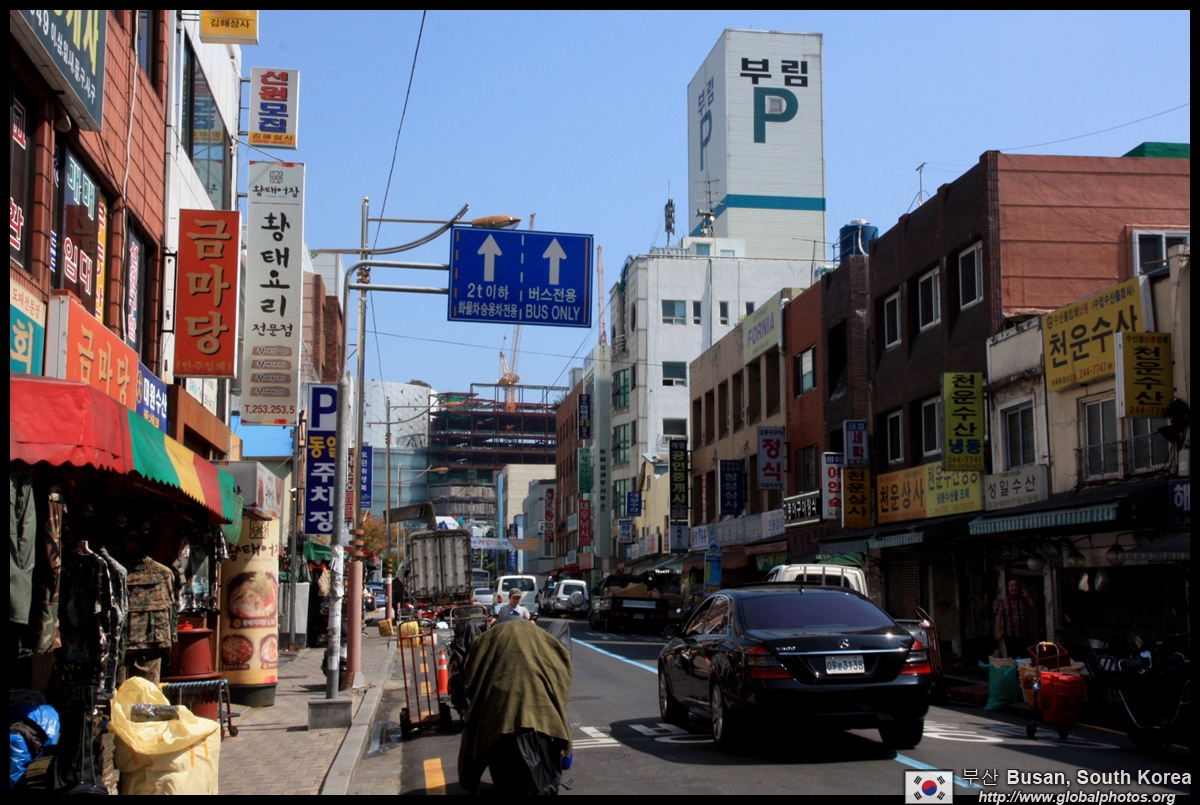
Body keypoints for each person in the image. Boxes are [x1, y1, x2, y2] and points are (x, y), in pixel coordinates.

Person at [994, 578, 1036, 659]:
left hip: (1023, 634)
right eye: (1011, 586)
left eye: (1016, 586)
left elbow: (1034, 608)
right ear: (1008, 588)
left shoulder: (1023, 600)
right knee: (1012, 657)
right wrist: (998, 632)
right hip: (1009, 634)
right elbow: (999, 617)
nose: (1014, 588)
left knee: (1026, 657)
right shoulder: (1003, 601)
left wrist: (1027, 596)